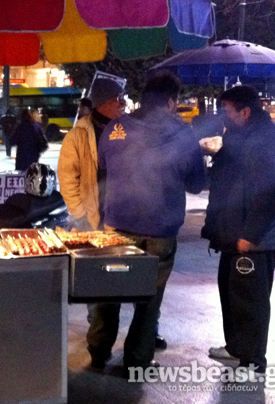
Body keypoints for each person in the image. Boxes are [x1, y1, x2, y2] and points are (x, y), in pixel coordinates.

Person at [87, 72, 206, 374]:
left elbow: (103, 168)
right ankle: (137, 361)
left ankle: (98, 351)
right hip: (159, 232)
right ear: (170, 102)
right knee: (148, 300)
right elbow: (196, 184)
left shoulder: (116, 127)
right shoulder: (182, 135)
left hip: (116, 226)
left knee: (108, 292)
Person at [201, 85, 275, 375]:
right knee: (231, 294)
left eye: (227, 111)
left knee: (250, 300)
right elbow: (224, 178)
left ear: (245, 111)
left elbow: (272, 193)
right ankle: (236, 348)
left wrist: (251, 235)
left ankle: (253, 360)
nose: (224, 117)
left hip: (255, 238)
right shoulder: (240, 137)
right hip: (232, 232)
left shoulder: (271, 141)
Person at [58, 78, 126, 231]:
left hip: (124, 220)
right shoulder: (77, 136)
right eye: (117, 99)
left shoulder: (130, 130)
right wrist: (80, 215)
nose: (123, 103)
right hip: (93, 221)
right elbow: (67, 179)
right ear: (102, 103)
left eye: (123, 98)